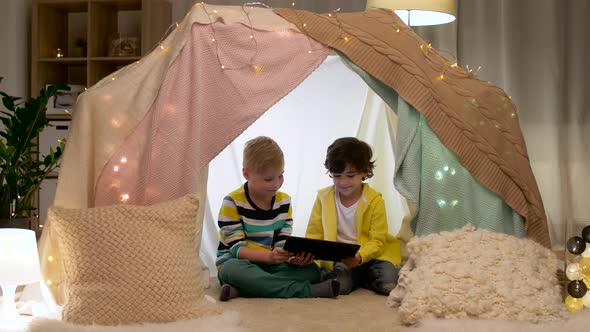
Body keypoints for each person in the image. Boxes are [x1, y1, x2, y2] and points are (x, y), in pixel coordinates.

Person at [216, 136, 340, 301]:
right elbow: (237, 249)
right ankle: (307, 291)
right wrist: (269, 257)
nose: (276, 183)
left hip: (271, 265)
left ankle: (243, 290)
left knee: (311, 271)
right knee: (230, 270)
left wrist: (292, 258)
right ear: (246, 173)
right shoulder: (232, 202)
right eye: (268, 179)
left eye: (280, 176)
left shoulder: (284, 202)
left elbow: (282, 243)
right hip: (240, 263)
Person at [306, 137, 401, 295]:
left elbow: (378, 241)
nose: (343, 182)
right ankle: (352, 277)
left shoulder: (374, 200)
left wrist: (360, 256)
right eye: (337, 175)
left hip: (374, 256)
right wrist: (312, 259)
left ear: (364, 172)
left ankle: (359, 276)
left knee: (388, 284)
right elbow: (314, 234)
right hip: (344, 258)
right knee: (340, 287)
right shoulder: (323, 198)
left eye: (350, 176)